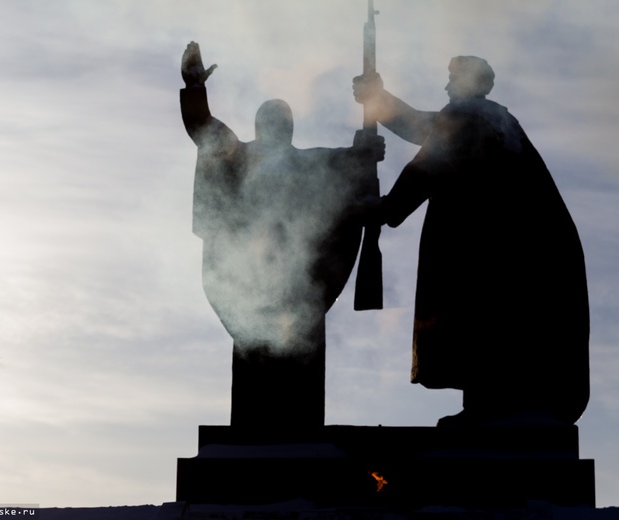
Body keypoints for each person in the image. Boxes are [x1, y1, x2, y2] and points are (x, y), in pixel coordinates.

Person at [353, 56, 589, 426]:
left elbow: (428, 163)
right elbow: (423, 126)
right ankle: (485, 406)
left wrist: (385, 209)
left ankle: (487, 409)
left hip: (489, 249)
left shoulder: (471, 116)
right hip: (503, 245)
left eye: (452, 79)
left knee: (480, 316)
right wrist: (378, 98)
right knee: (487, 319)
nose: (447, 87)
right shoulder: (485, 117)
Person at [181, 42, 384, 428]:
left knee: (300, 380)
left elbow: (344, 163)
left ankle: (297, 431)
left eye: (282, 120)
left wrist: (364, 149)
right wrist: (194, 89)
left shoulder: (308, 162)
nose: (277, 126)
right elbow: (203, 128)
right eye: (271, 120)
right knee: (253, 370)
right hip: (252, 282)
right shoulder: (237, 156)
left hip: (299, 286)